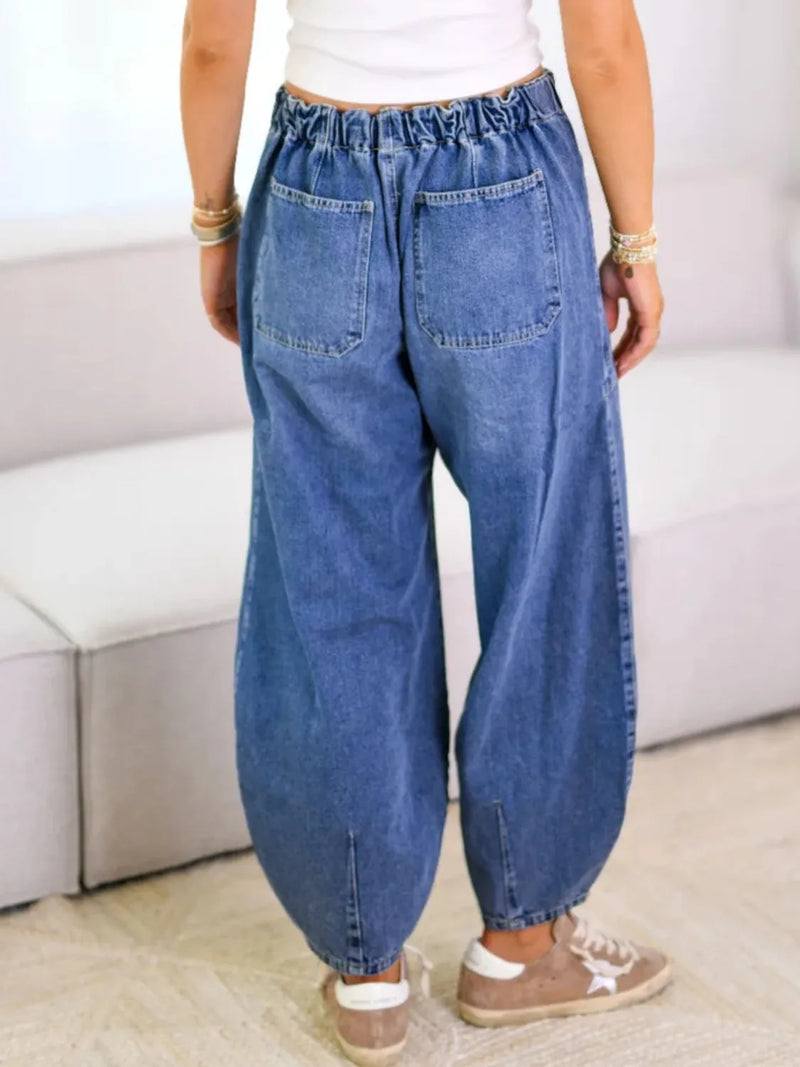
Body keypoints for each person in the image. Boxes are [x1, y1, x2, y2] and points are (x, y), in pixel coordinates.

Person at [180, 0, 671, 1063]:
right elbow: (604, 42)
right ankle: (522, 943)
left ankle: (366, 970)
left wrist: (216, 225)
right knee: (542, 558)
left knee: (332, 580)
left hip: (314, 190)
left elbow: (214, 40)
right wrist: (633, 241)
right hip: (502, 181)